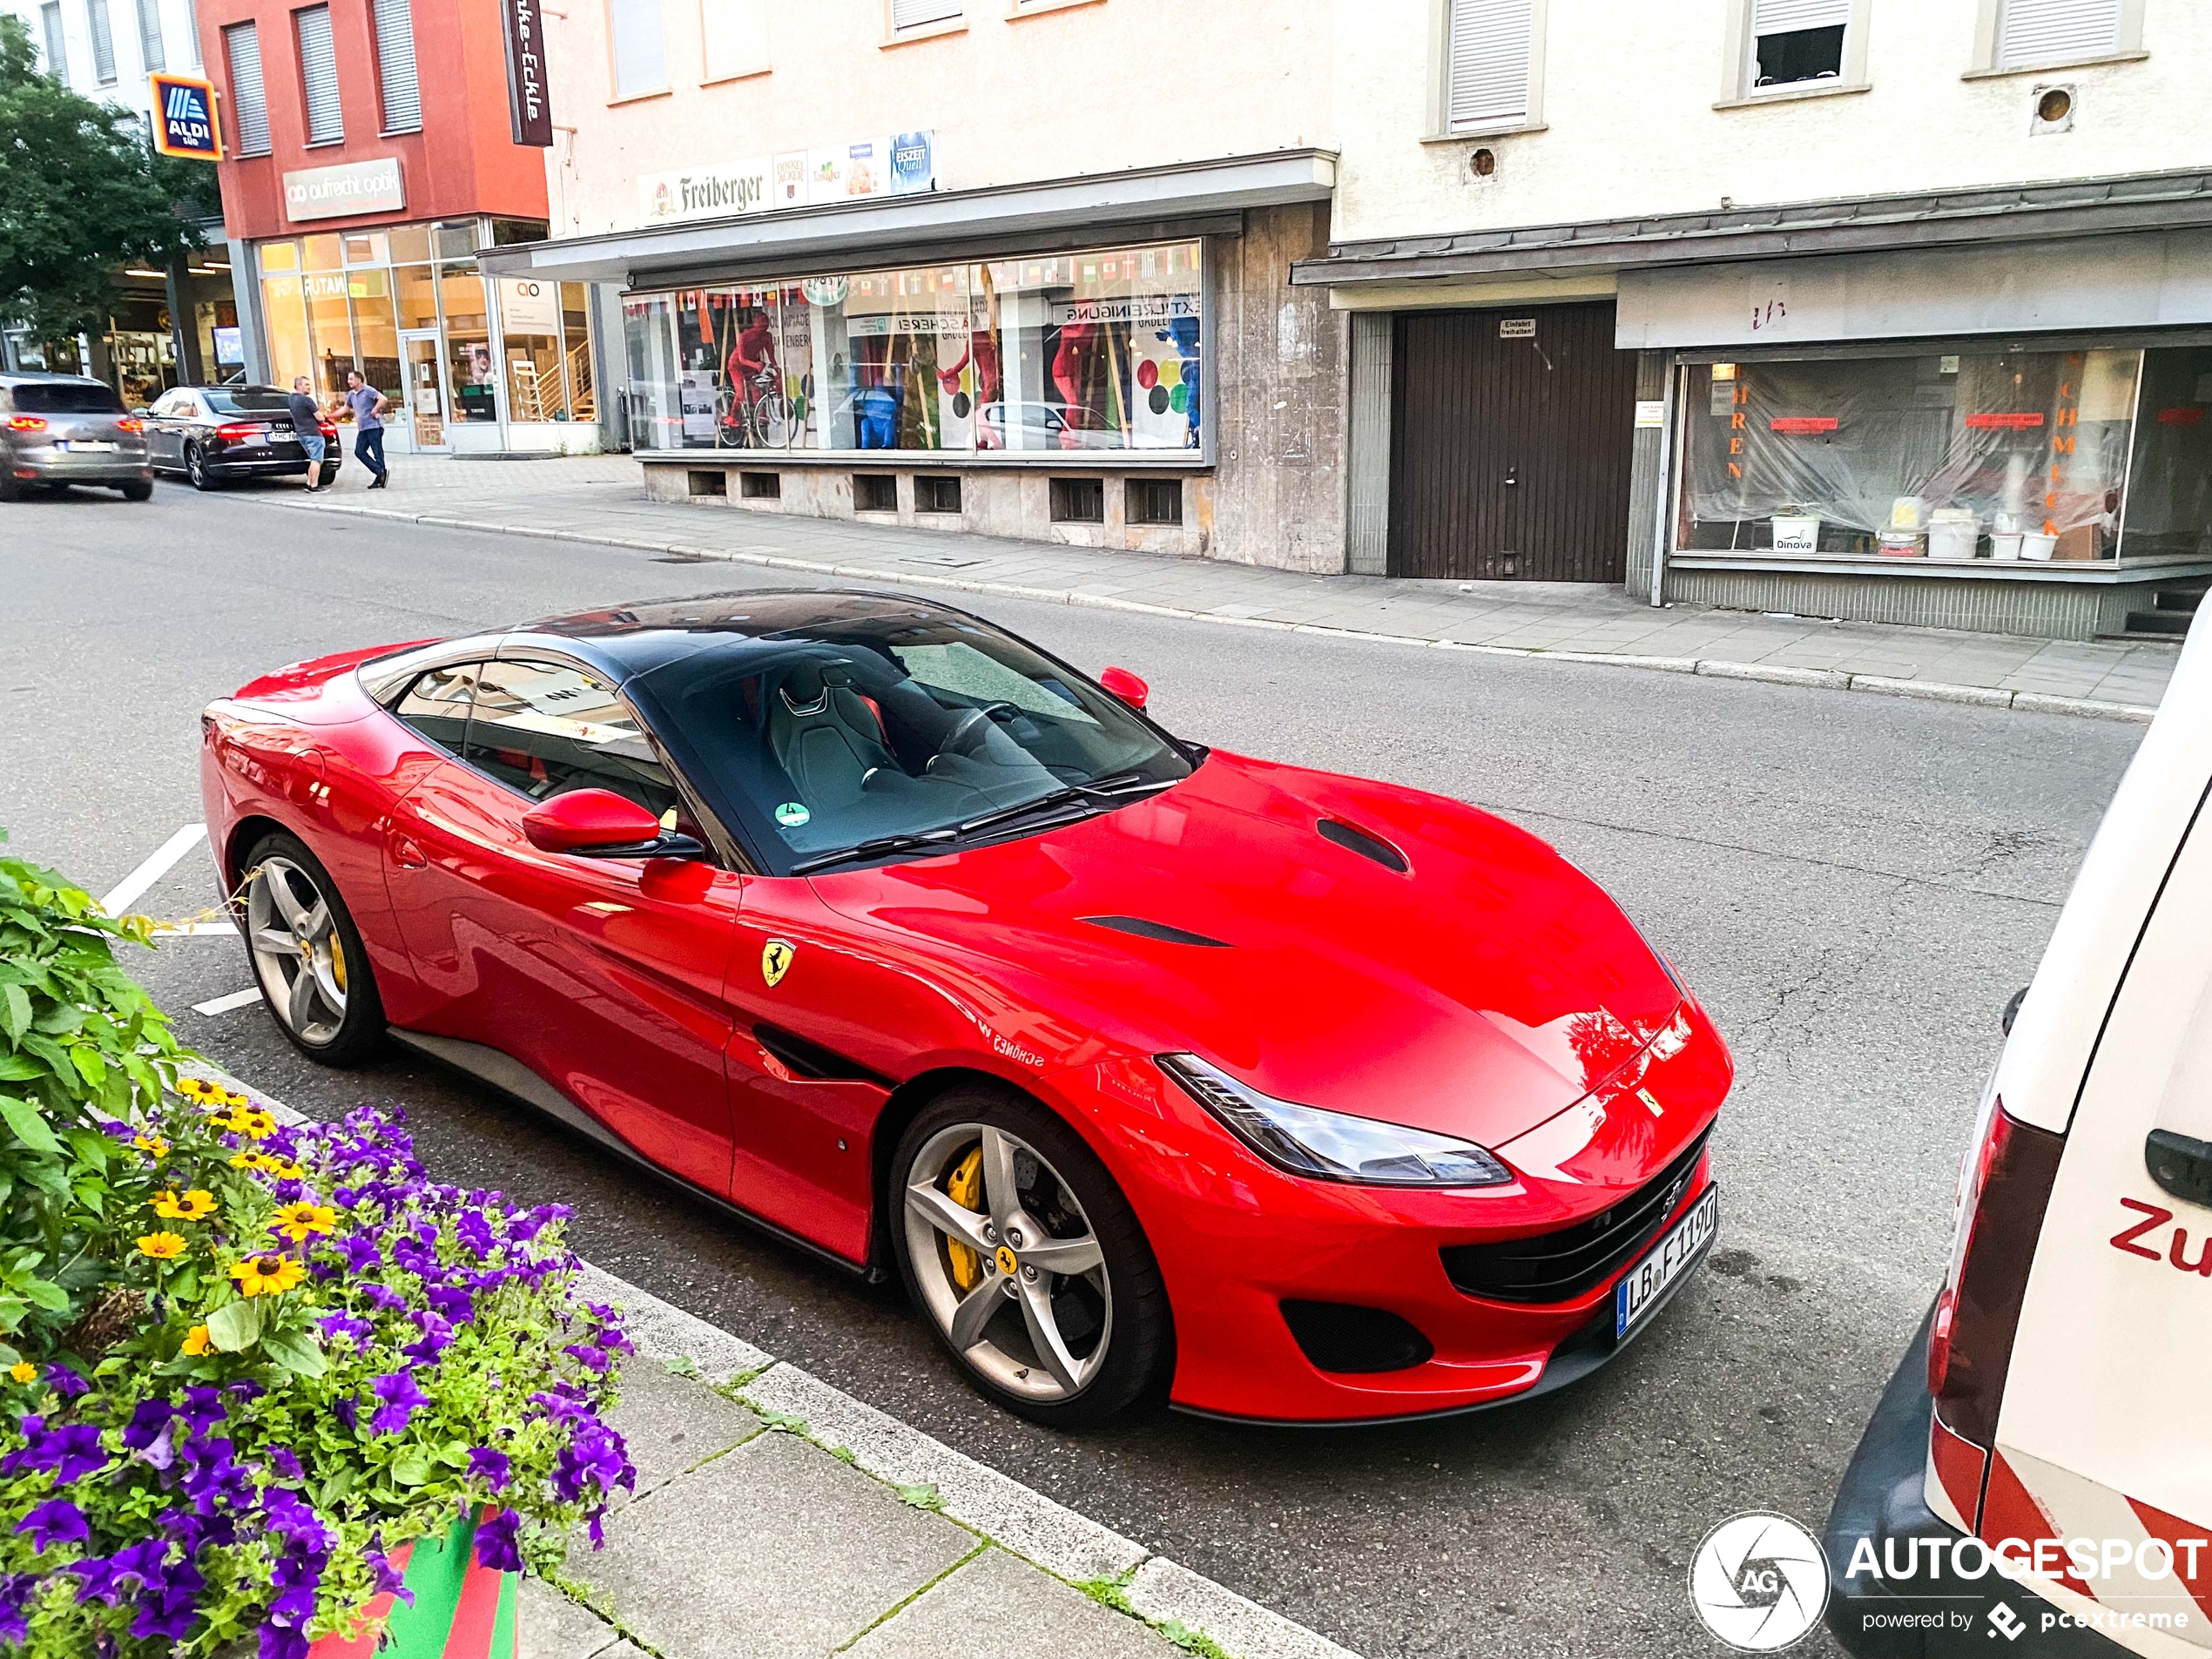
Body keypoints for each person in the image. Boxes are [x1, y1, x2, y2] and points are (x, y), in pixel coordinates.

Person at [341, 369, 391, 489]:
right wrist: (331, 416)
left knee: (377, 452)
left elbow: (383, 399)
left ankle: (380, 477)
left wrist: (374, 409)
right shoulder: (351, 395)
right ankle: (380, 471)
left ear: (359, 380)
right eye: (348, 379)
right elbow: (345, 409)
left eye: (351, 379)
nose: (349, 382)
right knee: (359, 451)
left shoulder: (368, 390)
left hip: (374, 426)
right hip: (363, 428)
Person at [287, 375, 328, 493]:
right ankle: (314, 485)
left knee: (312, 459)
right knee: (317, 460)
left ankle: (309, 483)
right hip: (313, 433)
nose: (309, 387)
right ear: (298, 386)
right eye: (306, 384)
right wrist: (323, 418)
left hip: (302, 434)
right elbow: (319, 417)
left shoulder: (291, 399)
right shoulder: (307, 400)